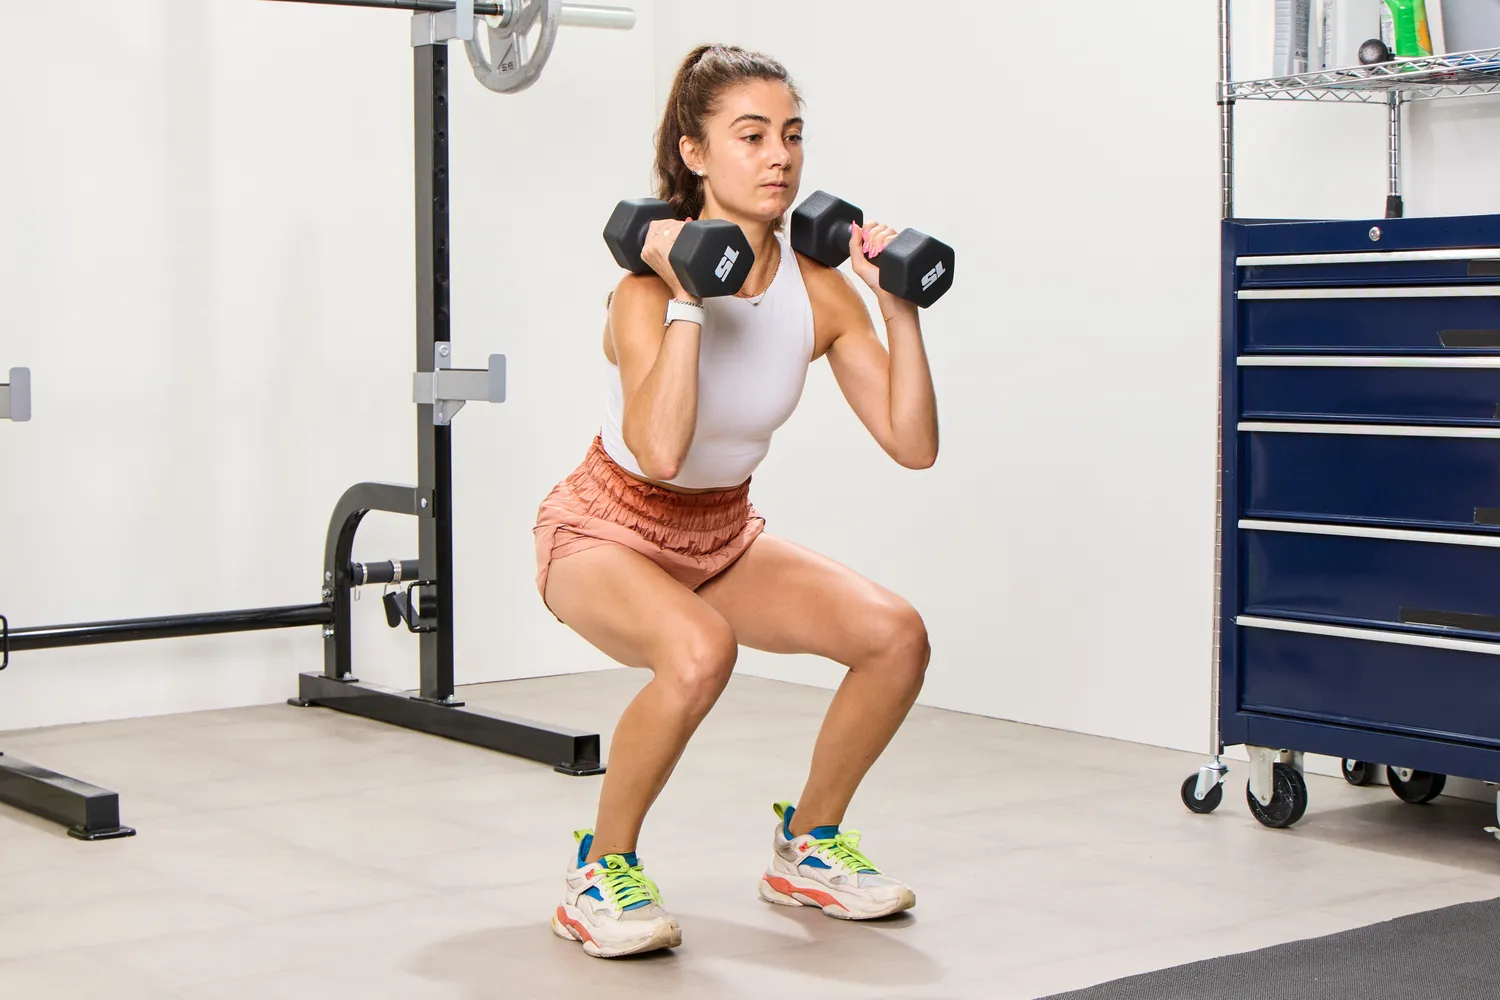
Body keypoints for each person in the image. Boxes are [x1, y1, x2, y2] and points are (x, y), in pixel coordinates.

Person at [537, 43, 939, 960]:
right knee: (697, 650)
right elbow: (661, 449)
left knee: (895, 637)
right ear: (694, 154)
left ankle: (810, 846)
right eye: (750, 136)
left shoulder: (821, 292)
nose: (779, 157)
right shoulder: (641, 290)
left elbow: (912, 446)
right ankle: (600, 870)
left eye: (791, 136)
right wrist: (687, 298)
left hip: (719, 535)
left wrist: (895, 307)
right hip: (602, 529)